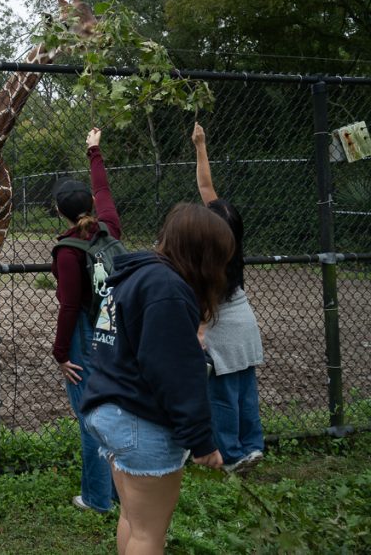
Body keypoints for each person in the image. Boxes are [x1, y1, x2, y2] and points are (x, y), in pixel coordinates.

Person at [81, 203, 234, 555]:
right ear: (204, 254)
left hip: (110, 412)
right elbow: (176, 374)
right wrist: (202, 441)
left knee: (134, 521)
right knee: (150, 533)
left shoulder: (136, 276)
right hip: (139, 421)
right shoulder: (167, 288)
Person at [50, 127, 119, 513]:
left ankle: (97, 498)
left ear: (59, 211)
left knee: (91, 416)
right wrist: (94, 150)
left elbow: (70, 306)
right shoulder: (109, 227)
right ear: (91, 204)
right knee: (116, 408)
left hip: (86, 334)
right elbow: (105, 192)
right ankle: (119, 488)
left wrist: (61, 352)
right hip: (118, 327)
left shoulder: (68, 250)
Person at [192, 122, 266, 472]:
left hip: (221, 330)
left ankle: (233, 456)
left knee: (222, 398)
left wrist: (201, 334)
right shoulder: (231, 237)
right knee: (245, 393)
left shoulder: (211, 260)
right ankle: (253, 446)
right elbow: (207, 187)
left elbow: (206, 303)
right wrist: (200, 145)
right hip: (246, 326)